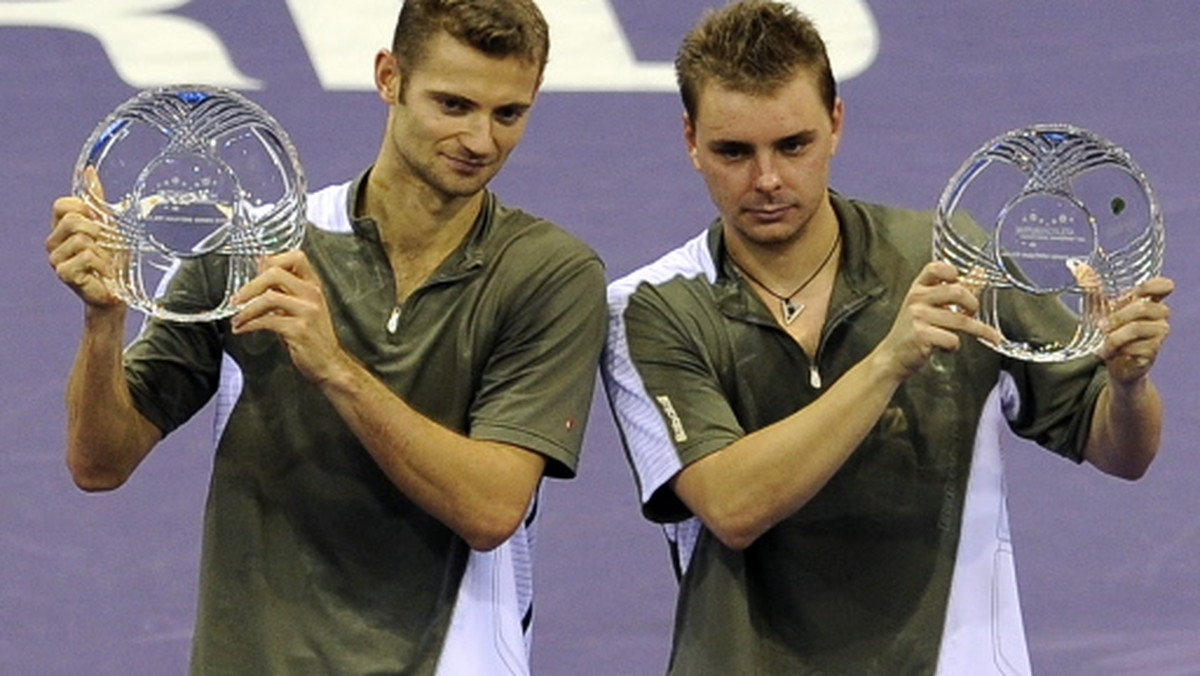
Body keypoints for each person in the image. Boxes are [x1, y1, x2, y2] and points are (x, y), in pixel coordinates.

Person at [601, 1, 1173, 673]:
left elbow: (1118, 449)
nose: (767, 180)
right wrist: (889, 360)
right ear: (691, 139)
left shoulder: (962, 263)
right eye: (734, 151)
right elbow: (731, 506)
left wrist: (1129, 385)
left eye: (794, 144)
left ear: (836, 124)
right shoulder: (648, 308)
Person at [45, 0, 607, 673]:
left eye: (507, 114)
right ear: (389, 78)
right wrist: (104, 322)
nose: (481, 140)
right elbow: (99, 464)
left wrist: (336, 368)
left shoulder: (551, 274)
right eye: (453, 105)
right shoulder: (256, 246)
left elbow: (491, 509)